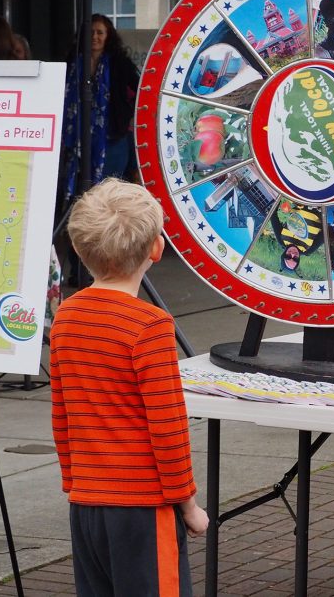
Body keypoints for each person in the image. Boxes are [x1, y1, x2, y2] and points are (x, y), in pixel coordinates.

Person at [50, 178, 209, 596]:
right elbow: (169, 427)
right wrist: (188, 505)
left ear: (81, 251)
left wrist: (74, 482)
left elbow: (62, 413)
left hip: (86, 501)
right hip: (143, 505)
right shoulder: (151, 326)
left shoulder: (66, 317)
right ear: (156, 249)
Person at [59, 14, 141, 206]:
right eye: (90, 32)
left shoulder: (120, 62)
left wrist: (128, 116)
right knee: (81, 194)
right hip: (77, 139)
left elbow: (140, 88)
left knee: (110, 191)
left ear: (108, 35)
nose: (94, 36)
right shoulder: (72, 61)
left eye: (100, 32)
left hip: (111, 137)